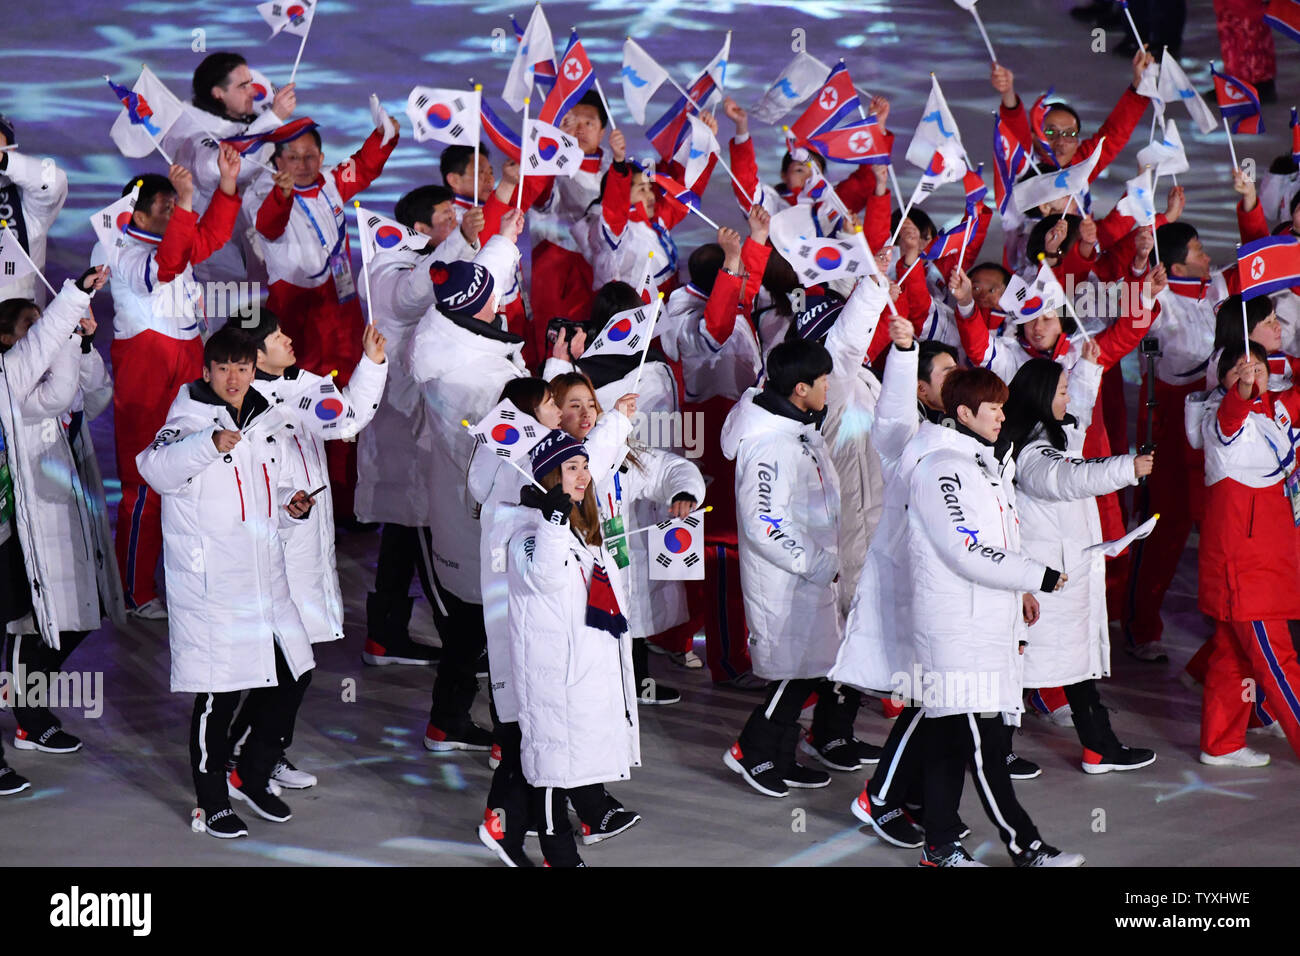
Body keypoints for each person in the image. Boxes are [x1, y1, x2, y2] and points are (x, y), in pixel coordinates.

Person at [136, 325, 316, 838]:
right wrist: (208, 444)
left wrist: (291, 507)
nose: (234, 378)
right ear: (207, 372)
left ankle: (251, 772)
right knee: (219, 696)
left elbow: (270, 491)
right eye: (224, 369)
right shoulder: (186, 419)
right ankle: (211, 801)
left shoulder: (264, 417)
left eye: (242, 367)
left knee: (293, 672)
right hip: (214, 585)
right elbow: (157, 468)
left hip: (265, 578)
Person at [905, 366, 1082, 867]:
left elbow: (998, 539)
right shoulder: (941, 467)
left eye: (1004, 406)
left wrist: (1021, 587)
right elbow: (965, 549)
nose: (1004, 415)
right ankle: (1027, 848)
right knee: (985, 746)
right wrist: (1036, 574)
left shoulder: (984, 462)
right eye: (994, 408)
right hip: (955, 629)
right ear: (963, 413)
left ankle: (939, 848)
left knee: (944, 740)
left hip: (982, 622)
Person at [225, 313, 387, 788]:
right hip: (276, 552)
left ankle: (266, 752)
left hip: (309, 550)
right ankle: (246, 753)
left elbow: (344, 421)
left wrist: (372, 363)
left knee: (295, 665)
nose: (289, 338)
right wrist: (284, 508)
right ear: (255, 356)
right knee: (284, 666)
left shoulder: (309, 383)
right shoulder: (247, 408)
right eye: (277, 336)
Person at [97, 149, 243, 618]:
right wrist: (185, 203)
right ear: (135, 213)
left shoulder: (172, 239)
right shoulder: (115, 245)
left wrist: (225, 185)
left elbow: (213, 236)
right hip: (146, 363)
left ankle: (189, 577)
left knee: (198, 468)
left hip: (187, 355)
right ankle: (135, 587)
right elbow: (165, 266)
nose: (174, 212)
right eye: (164, 207)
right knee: (145, 479)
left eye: (173, 206)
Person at [831, 317, 959, 848]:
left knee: (939, 699)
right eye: (946, 373)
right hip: (909, 585)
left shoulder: (959, 432)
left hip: (945, 586)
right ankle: (882, 796)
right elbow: (893, 411)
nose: (959, 379)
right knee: (931, 699)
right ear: (923, 389)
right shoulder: (901, 432)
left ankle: (912, 798)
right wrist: (904, 352)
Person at [1000, 352, 1158, 774]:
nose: (1069, 399)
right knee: (1017, 666)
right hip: (1043, 581)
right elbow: (1070, 478)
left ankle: (1099, 746)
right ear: (1041, 396)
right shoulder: (1035, 453)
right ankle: (994, 752)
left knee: (1075, 667)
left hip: (1063, 578)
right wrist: (1128, 467)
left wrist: (1086, 370)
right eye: (1062, 391)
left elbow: (1080, 419)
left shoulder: (1053, 437)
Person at [356, 184, 487, 667]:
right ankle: (463, 648)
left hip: (412, 422)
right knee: (426, 531)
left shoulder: (422, 263)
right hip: (405, 425)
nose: (456, 222)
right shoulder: (387, 270)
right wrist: (462, 242)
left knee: (405, 530)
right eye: (448, 216)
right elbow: (414, 295)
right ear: (419, 228)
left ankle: (383, 636)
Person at [409, 209, 526, 752]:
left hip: (454, 518)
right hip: (481, 522)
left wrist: (506, 237)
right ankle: (508, 738)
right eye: (493, 296)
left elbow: (482, 277)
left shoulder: (448, 338)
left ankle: (447, 722)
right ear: (478, 308)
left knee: (468, 628)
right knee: (498, 632)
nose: (500, 300)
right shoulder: (477, 379)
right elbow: (500, 458)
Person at [252, 113, 399, 522]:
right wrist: (280, 197)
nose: (302, 164)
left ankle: (348, 501)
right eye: (293, 158)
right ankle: (314, 497)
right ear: (277, 162)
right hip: (299, 314)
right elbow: (269, 224)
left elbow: (365, 165)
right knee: (310, 404)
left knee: (352, 400)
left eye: (310, 155)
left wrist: (384, 133)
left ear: (320, 156)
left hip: (341, 305)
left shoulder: (331, 182)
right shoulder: (267, 195)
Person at [505, 429, 641, 867]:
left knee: (568, 765)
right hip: (553, 677)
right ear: (549, 477)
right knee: (552, 772)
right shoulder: (527, 531)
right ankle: (558, 857)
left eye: (584, 466)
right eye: (571, 468)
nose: (582, 476)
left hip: (580, 674)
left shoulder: (578, 531)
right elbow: (544, 576)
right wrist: (551, 520)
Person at [719, 339, 847, 797]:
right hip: (787, 581)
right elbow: (763, 523)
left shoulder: (798, 430)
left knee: (808, 668)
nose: (829, 387)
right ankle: (752, 752)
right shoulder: (769, 444)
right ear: (799, 389)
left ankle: (781, 755)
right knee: (794, 673)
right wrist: (817, 565)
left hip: (810, 578)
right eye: (824, 381)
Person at [0, 285, 119, 758]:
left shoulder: (54, 377)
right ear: (7, 341)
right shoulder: (12, 383)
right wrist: (68, 340)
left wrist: (83, 344)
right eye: (33, 326)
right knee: (27, 625)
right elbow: (55, 399)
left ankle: (29, 703)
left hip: (66, 518)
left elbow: (96, 396)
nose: (44, 332)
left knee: (81, 616)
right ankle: (29, 719)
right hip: (18, 529)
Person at [1196, 342, 1300, 767]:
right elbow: (1231, 417)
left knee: (1231, 655)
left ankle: (1221, 743)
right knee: (1278, 661)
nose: (1250, 374)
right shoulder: (1222, 418)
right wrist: (1242, 391)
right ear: (1224, 379)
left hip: (1266, 561)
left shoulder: (1272, 414)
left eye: (1257, 366)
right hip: (1244, 567)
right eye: (1240, 368)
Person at [163, 51, 296, 293]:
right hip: (220, 262)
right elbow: (216, 168)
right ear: (218, 93)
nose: (254, 92)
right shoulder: (193, 132)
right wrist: (273, 118)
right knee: (230, 329)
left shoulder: (249, 121)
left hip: (258, 251)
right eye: (243, 86)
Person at [0, 114, 68, 307]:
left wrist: (5, 162)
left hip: (23, 328)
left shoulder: (26, 199)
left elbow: (55, 182)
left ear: (10, 150)